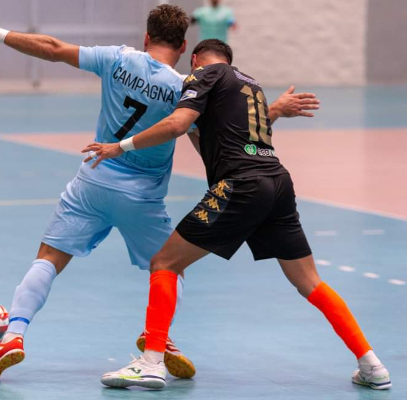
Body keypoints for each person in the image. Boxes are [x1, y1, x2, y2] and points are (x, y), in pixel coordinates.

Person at [0, 7, 320, 381]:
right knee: (171, 267)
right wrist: (273, 111)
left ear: (146, 37)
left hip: (93, 181)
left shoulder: (116, 59)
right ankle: (157, 338)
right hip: (143, 198)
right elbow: (219, 141)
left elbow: (52, 48)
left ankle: (13, 336)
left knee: (49, 257)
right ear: (183, 47)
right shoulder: (185, 88)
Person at [84, 39, 391, 391]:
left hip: (240, 186)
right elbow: (230, 136)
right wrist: (275, 110)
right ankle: (372, 364)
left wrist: (119, 146)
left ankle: (151, 363)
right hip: (277, 182)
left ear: (195, 59)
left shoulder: (203, 75)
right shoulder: (250, 84)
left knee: (165, 263)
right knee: (310, 281)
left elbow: (178, 124)